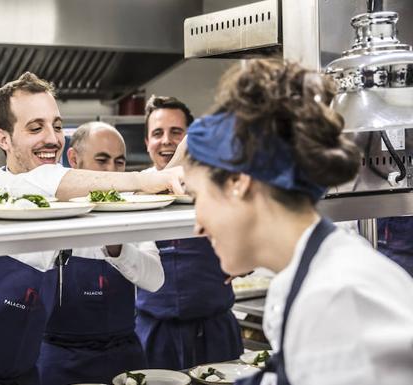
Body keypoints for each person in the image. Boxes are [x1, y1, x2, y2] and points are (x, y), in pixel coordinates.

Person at [0, 72, 183, 385]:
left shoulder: (68, 209)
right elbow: (41, 184)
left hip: (22, 376)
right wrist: (142, 180)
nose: (52, 138)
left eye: (56, 125)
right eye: (35, 127)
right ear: (3, 139)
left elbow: (151, 275)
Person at [183, 59, 413, 385]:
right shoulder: (301, 281)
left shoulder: (336, 299)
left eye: (196, 197)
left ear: (238, 181)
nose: (198, 225)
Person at [37, 122, 163, 384]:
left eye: (119, 163)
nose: (112, 173)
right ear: (73, 159)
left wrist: (118, 248)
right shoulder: (51, 215)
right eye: (102, 160)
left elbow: (155, 280)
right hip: (61, 363)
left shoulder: (135, 214)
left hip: (124, 360)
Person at [136, 95, 243, 370]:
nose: (166, 140)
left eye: (176, 132)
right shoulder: (133, 195)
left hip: (216, 331)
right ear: (147, 143)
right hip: (154, 334)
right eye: (157, 133)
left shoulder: (220, 186)